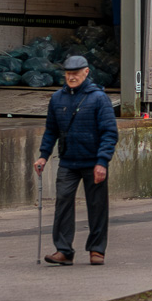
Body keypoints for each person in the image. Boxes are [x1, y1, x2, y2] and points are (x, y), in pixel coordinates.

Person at [35, 55, 117, 266]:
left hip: (93, 162)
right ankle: (64, 251)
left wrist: (102, 161)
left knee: (97, 206)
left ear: (86, 72)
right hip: (68, 162)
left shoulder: (99, 98)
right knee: (63, 203)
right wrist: (43, 155)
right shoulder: (57, 99)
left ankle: (97, 250)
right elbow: (51, 130)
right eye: (68, 73)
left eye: (76, 73)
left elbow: (109, 132)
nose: (71, 77)